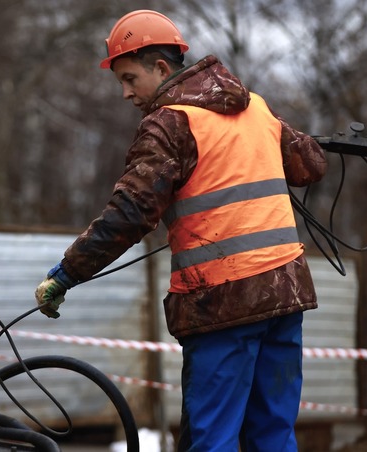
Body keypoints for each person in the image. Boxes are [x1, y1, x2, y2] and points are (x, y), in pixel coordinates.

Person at [34, 9, 327, 452]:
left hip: (222, 303)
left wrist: (66, 273)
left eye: (130, 78)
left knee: (213, 441)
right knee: (273, 436)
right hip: (284, 296)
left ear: (161, 68)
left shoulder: (169, 124)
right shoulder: (256, 107)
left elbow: (129, 213)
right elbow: (310, 166)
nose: (126, 93)